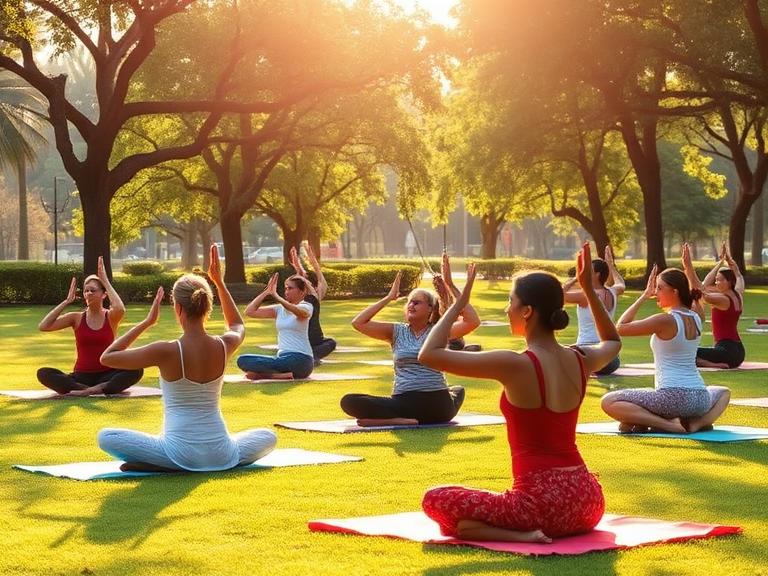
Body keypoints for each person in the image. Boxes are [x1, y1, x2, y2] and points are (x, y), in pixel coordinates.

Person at [418, 244, 618, 542]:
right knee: (460, 525)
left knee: (434, 499)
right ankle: (490, 530)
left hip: (539, 508)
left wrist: (458, 304)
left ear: (526, 311)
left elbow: (429, 355)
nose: (506, 308)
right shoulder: (581, 358)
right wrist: (589, 289)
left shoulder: (514, 364)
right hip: (588, 504)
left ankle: (520, 535)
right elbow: (613, 342)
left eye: (510, 301)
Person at [97, 245, 276, 472]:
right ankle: (186, 462)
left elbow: (108, 357)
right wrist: (219, 283)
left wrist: (146, 323)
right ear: (207, 306)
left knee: (106, 436)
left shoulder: (166, 350)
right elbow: (237, 324)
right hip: (222, 452)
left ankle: (167, 464)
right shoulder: (224, 345)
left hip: (177, 452)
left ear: (178, 307)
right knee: (268, 436)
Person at [341, 253, 480, 426]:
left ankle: (396, 420)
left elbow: (473, 321)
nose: (411, 305)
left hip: (435, 402)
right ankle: (401, 420)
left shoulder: (439, 330)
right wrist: (388, 298)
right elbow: (358, 323)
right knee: (348, 401)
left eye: (417, 302)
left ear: (431, 309)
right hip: (408, 403)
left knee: (458, 390)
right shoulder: (396, 331)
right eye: (410, 302)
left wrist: (450, 284)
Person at [601, 257, 730, 434]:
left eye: (660, 288)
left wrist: (643, 296)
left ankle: (669, 425)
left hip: (672, 398)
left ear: (675, 291)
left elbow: (621, 328)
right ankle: (696, 424)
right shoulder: (697, 317)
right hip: (700, 399)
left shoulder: (665, 320)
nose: (655, 292)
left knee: (609, 401)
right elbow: (695, 292)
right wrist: (688, 270)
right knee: (723, 392)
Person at [36, 257, 143, 396]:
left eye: (93, 290)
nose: (88, 293)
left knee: (137, 369)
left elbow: (120, 308)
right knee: (44, 373)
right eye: (86, 291)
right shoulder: (76, 318)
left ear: (103, 294)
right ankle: (90, 389)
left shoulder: (110, 316)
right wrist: (66, 301)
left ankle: (93, 389)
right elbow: (44, 326)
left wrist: (104, 280)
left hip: (108, 373)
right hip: (81, 377)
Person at [237, 272, 315, 380]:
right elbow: (249, 312)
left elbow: (300, 313)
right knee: (242, 360)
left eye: (290, 288)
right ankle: (280, 375)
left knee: (279, 363)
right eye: (286, 288)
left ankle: (266, 375)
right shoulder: (279, 309)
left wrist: (277, 297)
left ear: (302, 292)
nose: (286, 291)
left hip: (301, 360)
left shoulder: (306, 306)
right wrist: (267, 292)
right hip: (282, 359)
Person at [563, 245, 625, 375]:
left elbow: (559, 295)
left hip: (588, 356)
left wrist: (577, 278)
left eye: (588, 270)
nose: (585, 271)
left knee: (553, 356)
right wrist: (611, 265)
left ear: (597, 274)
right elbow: (621, 284)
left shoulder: (585, 295)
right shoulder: (613, 291)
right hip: (612, 360)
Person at [682, 242, 745, 368]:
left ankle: (711, 364)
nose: (716, 283)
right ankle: (714, 362)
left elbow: (699, 289)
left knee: (682, 353)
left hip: (726, 352)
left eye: (720, 280)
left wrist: (688, 266)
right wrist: (725, 262)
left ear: (729, 282)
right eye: (716, 279)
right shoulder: (738, 293)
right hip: (738, 352)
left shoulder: (723, 300)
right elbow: (738, 275)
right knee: (686, 353)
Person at [288, 245, 337, 364]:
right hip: (306, 336)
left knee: (331, 342)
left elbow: (317, 277)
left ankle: (311, 355)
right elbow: (302, 277)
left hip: (314, 338)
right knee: (331, 343)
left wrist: (310, 262)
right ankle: (311, 356)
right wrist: (298, 262)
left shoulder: (313, 295)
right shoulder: (304, 296)